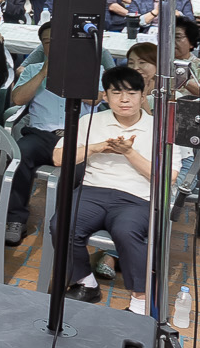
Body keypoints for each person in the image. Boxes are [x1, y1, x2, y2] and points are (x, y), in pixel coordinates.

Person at [52, 65, 157, 311]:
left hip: (137, 198)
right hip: (92, 191)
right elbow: (58, 158)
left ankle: (140, 300)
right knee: (62, 224)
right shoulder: (90, 120)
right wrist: (94, 148)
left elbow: (167, 178)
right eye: (116, 93)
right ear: (106, 96)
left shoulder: (157, 127)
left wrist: (130, 153)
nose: (124, 99)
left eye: (131, 93)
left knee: (126, 231)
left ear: (143, 97)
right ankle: (86, 283)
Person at [5, 43, 65, 239]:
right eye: (47, 42)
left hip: (75, 137)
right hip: (40, 135)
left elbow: (96, 99)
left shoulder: (91, 70)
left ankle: (67, 222)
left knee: (83, 169)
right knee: (20, 155)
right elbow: (17, 99)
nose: (53, 47)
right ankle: (15, 219)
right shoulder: (32, 70)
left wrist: (72, 72)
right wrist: (43, 73)